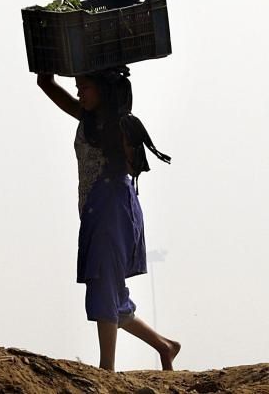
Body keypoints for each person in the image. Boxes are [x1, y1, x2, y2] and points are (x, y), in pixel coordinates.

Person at [37, 67, 181, 371]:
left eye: (85, 87)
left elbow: (134, 166)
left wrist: (124, 143)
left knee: (102, 283)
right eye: (77, 87)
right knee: (113, 293)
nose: (79, 93)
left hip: (113, 210)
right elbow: (46, 85)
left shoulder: (116, 126)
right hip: (95, 211)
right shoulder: (86, 119)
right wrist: (46, 74)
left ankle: (107, 370)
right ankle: (165, 346)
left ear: (102, 90)